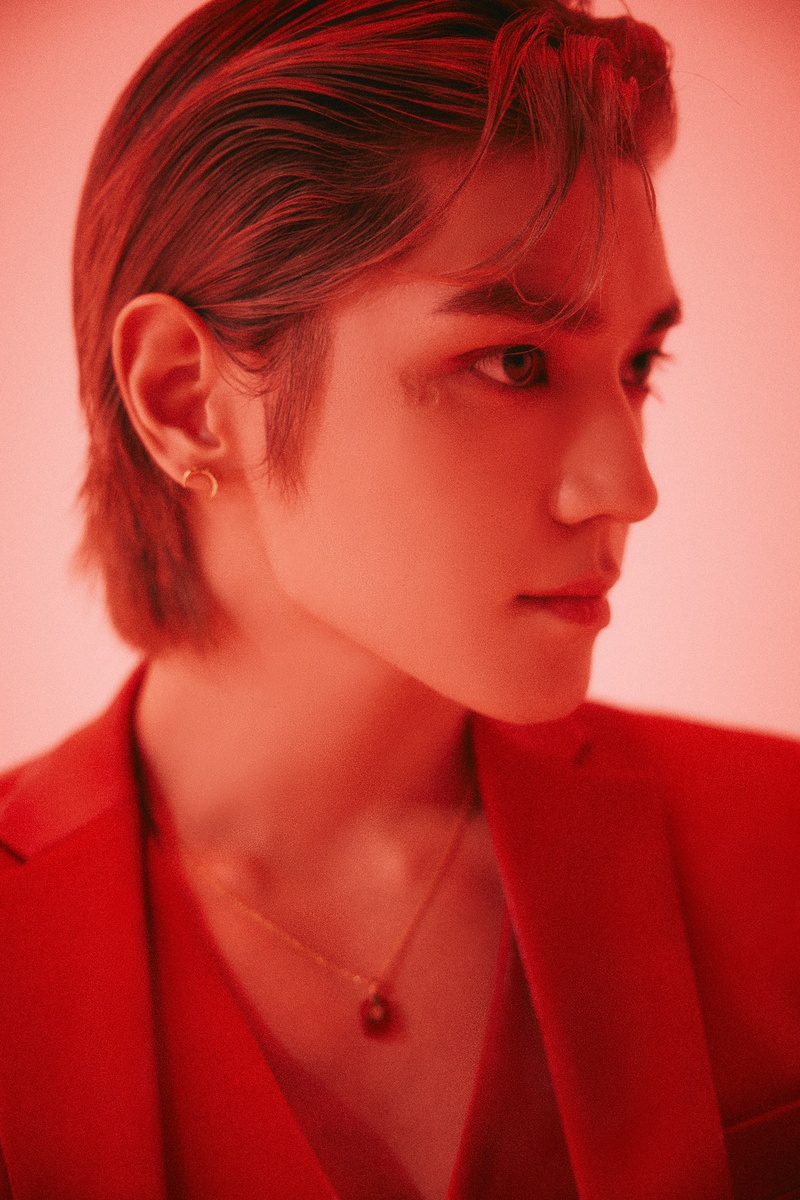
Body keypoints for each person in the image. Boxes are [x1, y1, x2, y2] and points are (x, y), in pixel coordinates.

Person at [0, 0, 798, 1196]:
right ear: (185, 400)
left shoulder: (780, 848)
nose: (628, 488)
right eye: (514, 362)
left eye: (637, 367)